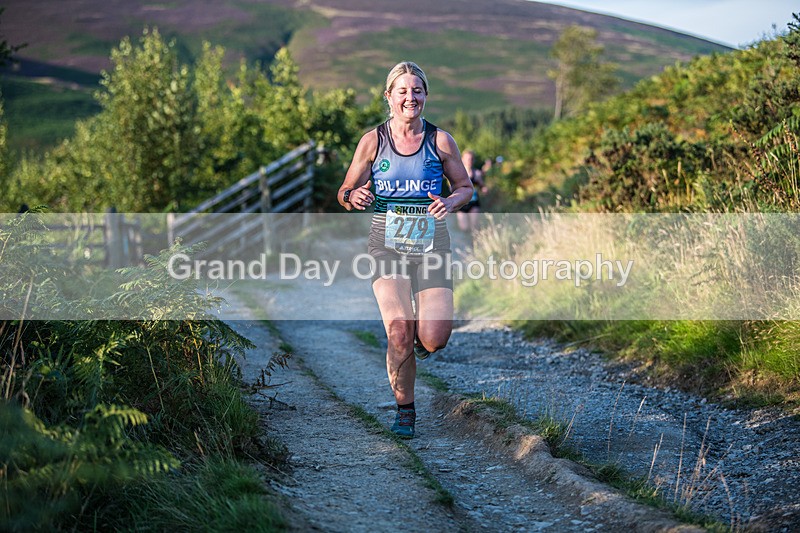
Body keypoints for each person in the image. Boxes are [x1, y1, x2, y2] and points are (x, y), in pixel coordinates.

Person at [337, 61, 473, 439]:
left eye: (417, 91)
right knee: (399, 330)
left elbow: (465, 187)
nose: (410, 97)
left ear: (425, 95)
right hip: (386, 243)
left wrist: (451, 201)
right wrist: (354, 195)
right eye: (402, 91)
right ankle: (405, 410)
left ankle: (416, 343)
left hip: (432, 245)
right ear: (389, 96)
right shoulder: (372, 141)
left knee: (434, 338)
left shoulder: (441, 140)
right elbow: (344, 191)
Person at [456, 149, 488, 234]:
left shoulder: (476, 173)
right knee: (464, 228)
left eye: (471, 159)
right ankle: (465, 242)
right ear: (462, 159)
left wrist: (484, 188)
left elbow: (482, 185)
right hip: (462, 203)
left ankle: (474, 242)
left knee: (474, 226)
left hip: (474, 202)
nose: (469, 161)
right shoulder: (458, 173)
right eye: (467, 159)